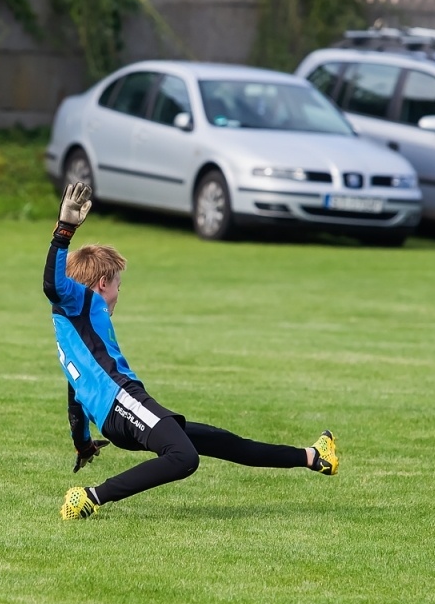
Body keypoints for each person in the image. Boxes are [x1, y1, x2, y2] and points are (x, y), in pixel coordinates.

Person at [44, 181, 338, 520]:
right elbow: (52, 285)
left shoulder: (73, 332)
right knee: (184, 457)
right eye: (118, 286)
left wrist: (82, 444)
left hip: (115, 416)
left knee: (220, 442)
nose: (118, 294)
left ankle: (313, 456)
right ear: (102, 284)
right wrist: (64, 231)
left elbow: (75, 398)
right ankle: (90, 497)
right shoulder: (83, 301)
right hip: (123, 401)